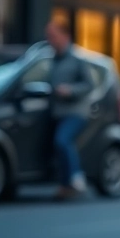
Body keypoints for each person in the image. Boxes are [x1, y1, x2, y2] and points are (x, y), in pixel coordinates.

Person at [46, 20, 94, 200]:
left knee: (63, 140)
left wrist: (70, 90)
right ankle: (65, 185)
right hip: (56, 112)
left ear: (65, 36)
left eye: (53, 36)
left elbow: (90, 85)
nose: (50, 40)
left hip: (75, 112)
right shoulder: (51, 60)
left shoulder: (77, 59)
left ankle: (76, 178)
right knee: (56, 147)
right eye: (48, 36)